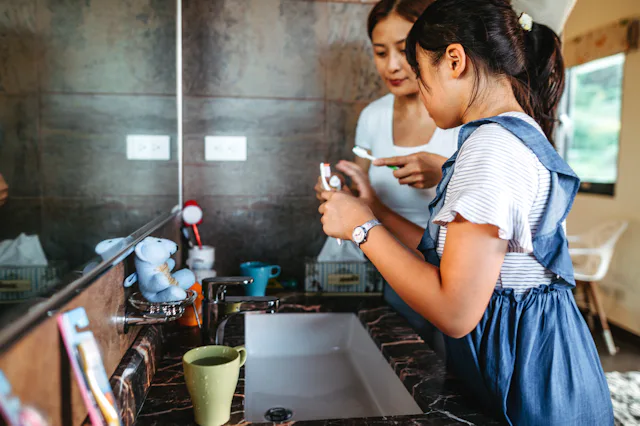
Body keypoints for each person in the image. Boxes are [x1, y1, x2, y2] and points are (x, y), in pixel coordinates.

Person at [317, 0, 614, 424]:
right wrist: (368, 211)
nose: (419, 89)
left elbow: (455, 313)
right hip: (543, 356)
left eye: (421, 75)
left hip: (529, 373)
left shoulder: (489, 148)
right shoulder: (512, 131)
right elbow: (441, 252)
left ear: (454, 60)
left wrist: (363, 228)